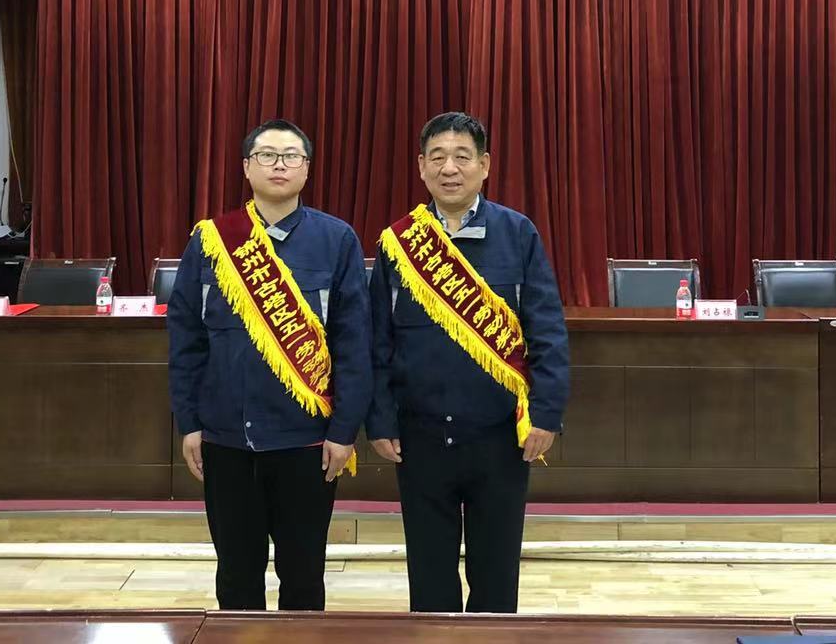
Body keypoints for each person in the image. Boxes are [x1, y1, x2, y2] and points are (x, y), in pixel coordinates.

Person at [367, 111, 570, 613]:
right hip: (420, 437)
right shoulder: (398, 244)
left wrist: (546, 414)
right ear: (421, 166)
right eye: (437, 157)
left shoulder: (517, 233)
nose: (449, 168)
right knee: (429, 574)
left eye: (462, 156)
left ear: (485, 165)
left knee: (496, 573)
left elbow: (546, 330)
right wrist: (379, 420)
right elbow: (377, 341)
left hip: (499, 436)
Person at [167, 119, 370, 612]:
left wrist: (344, 431)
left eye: (291, 156)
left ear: (307, 168)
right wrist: (189, 422)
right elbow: (186, 340)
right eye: (267, 155)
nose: (279, 165)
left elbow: (354, 345)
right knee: (236, 574)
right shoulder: (212, 241)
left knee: (303, 575)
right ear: (246, 167)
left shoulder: (337, 240)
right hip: (226, 441)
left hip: (307, 443)